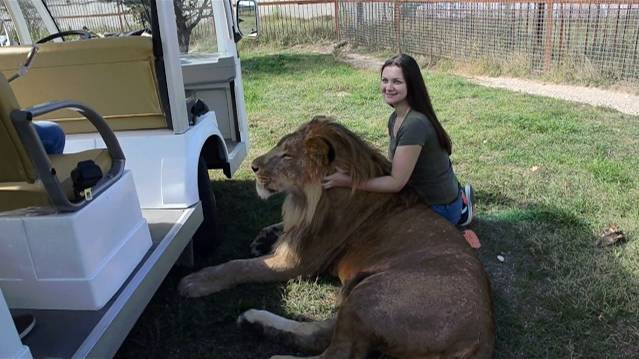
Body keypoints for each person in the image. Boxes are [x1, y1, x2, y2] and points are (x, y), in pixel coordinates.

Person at [323, 53, 476, 229]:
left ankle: (462, 210)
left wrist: (349, 182)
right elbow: (394, 169)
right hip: (417, 193)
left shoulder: (414, 124)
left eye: (396, 82)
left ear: (411, 85)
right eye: (385, 80)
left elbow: (396, 183)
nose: (388, 87)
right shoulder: (396, 117)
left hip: (439, 207)